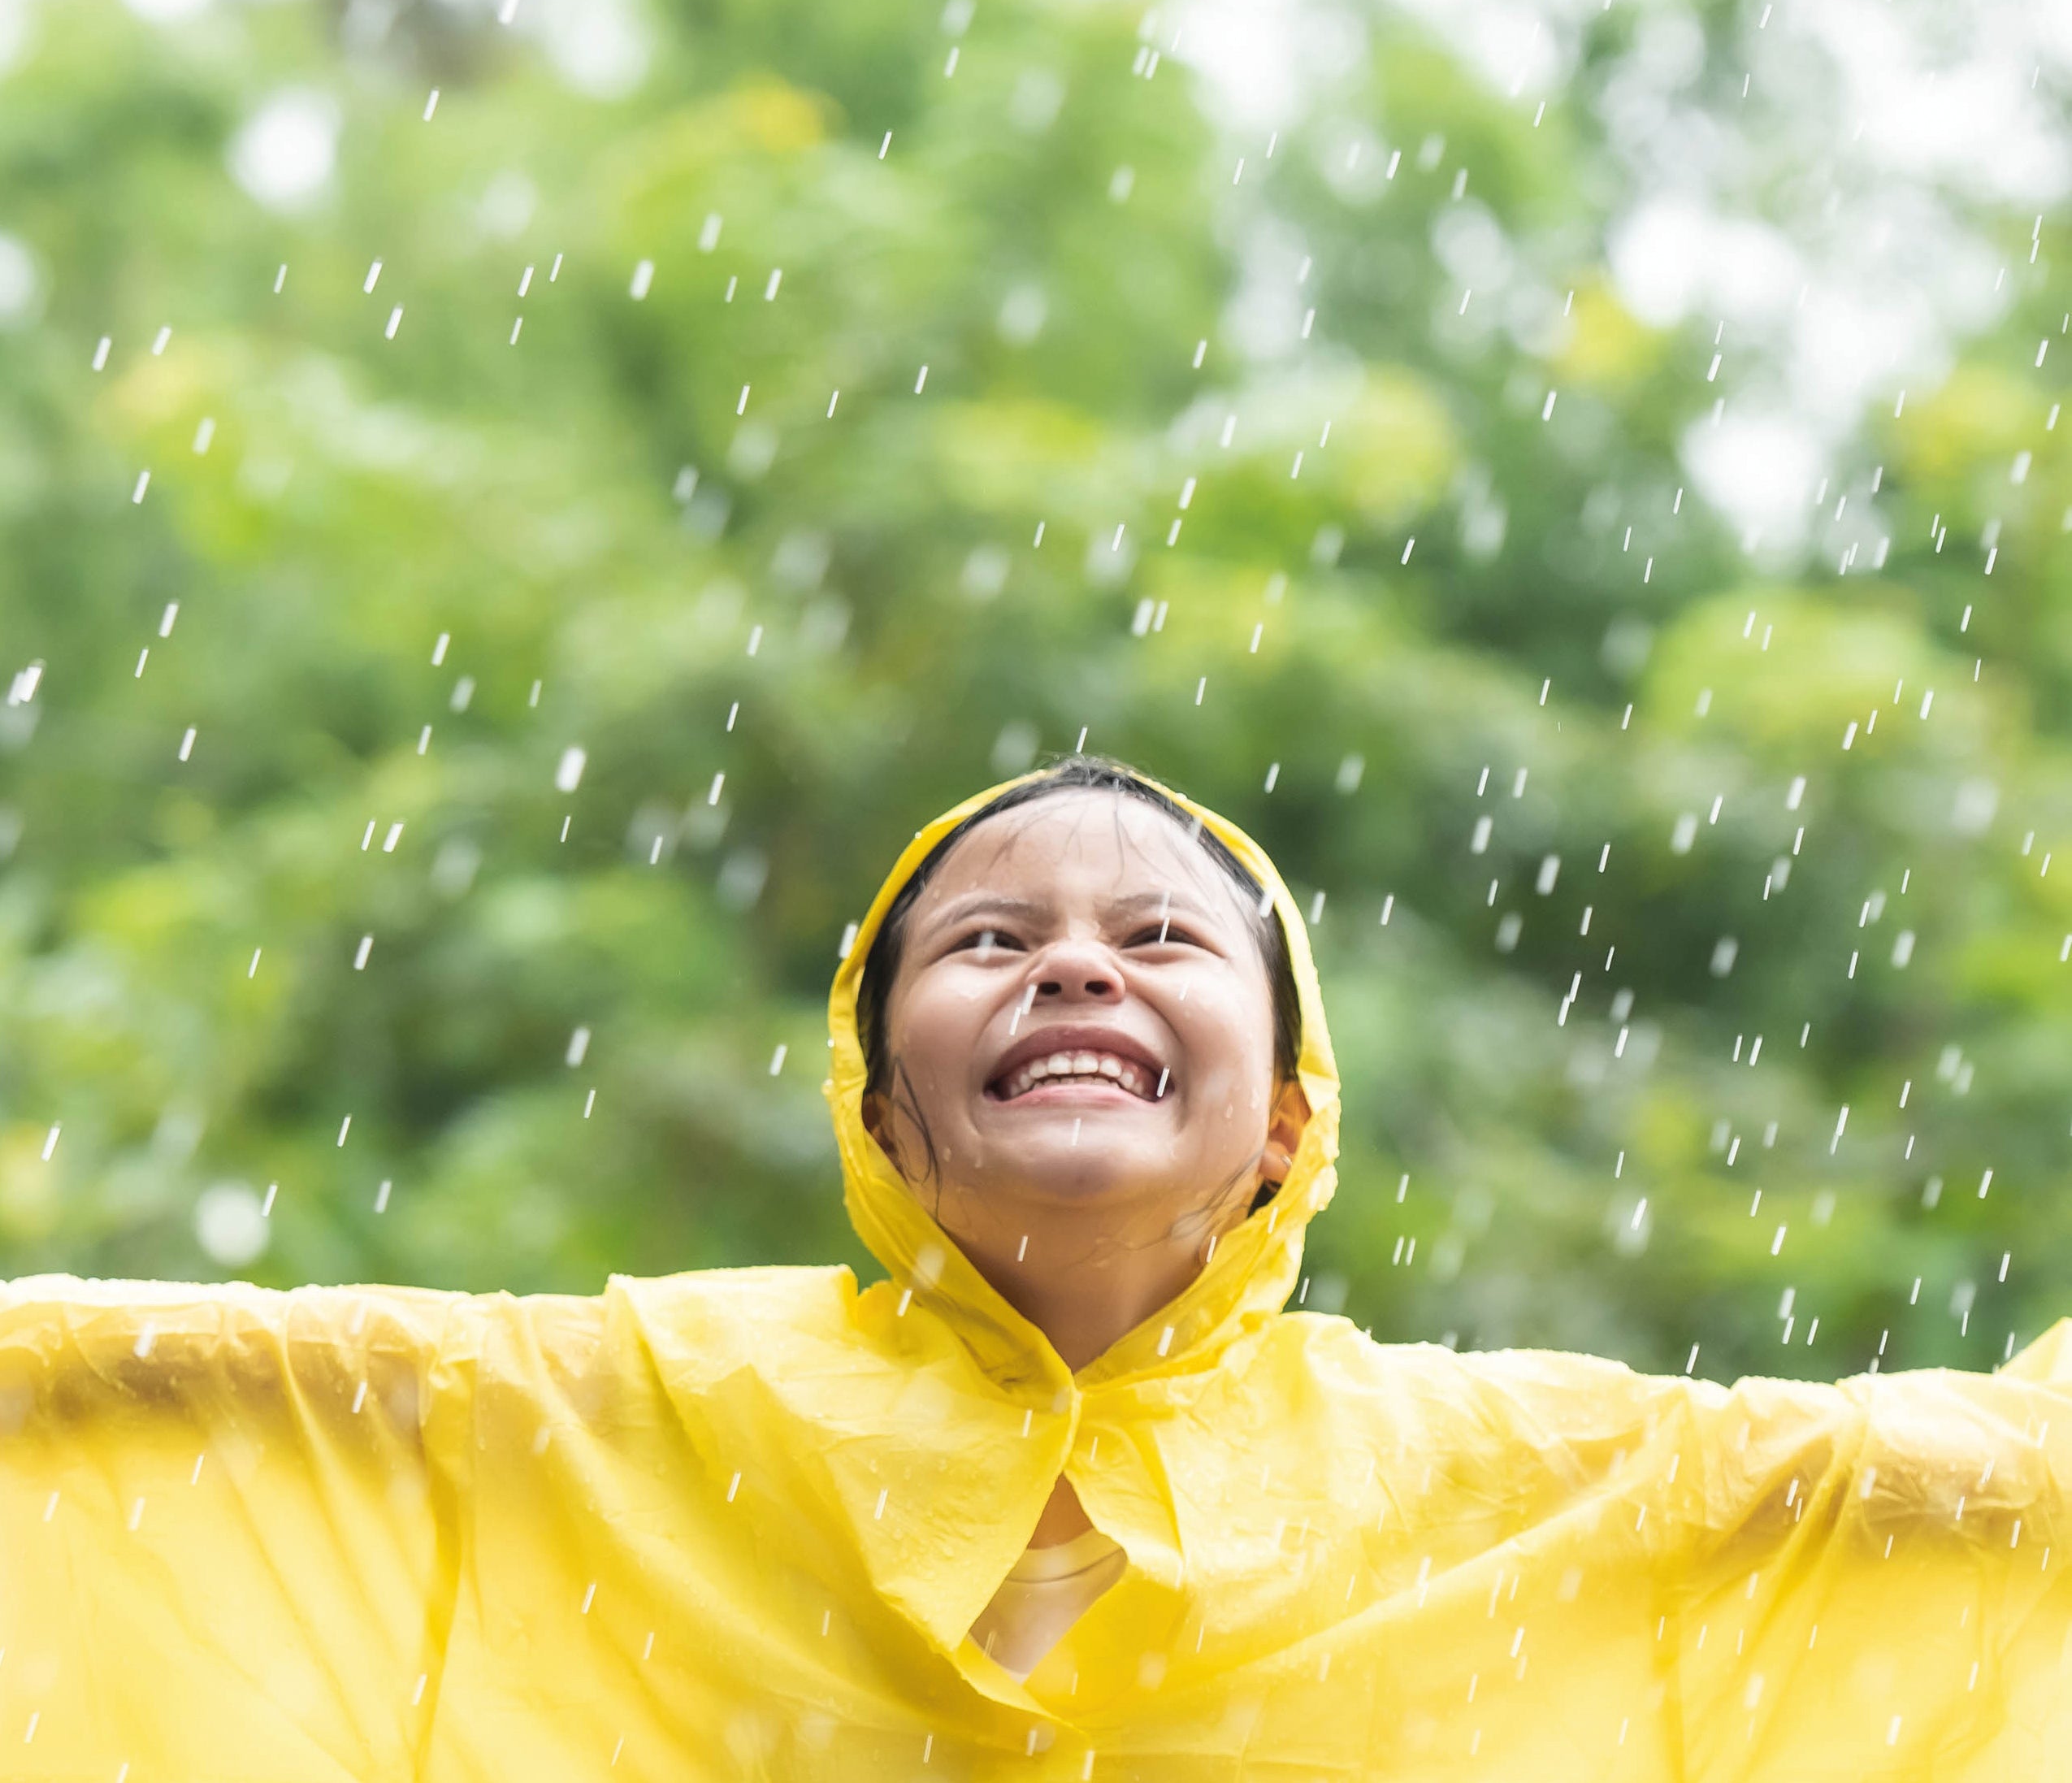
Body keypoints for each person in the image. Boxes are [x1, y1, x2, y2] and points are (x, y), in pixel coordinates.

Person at [1, 754, 2066, 1780]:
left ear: (1285, 1116)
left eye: (1161, 938)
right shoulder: (625, 1408)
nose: (1075, 953)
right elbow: (142, 1397)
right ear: (880, 1112)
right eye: (988, 941)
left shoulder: (1500, 1470)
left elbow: (1991, 1493)